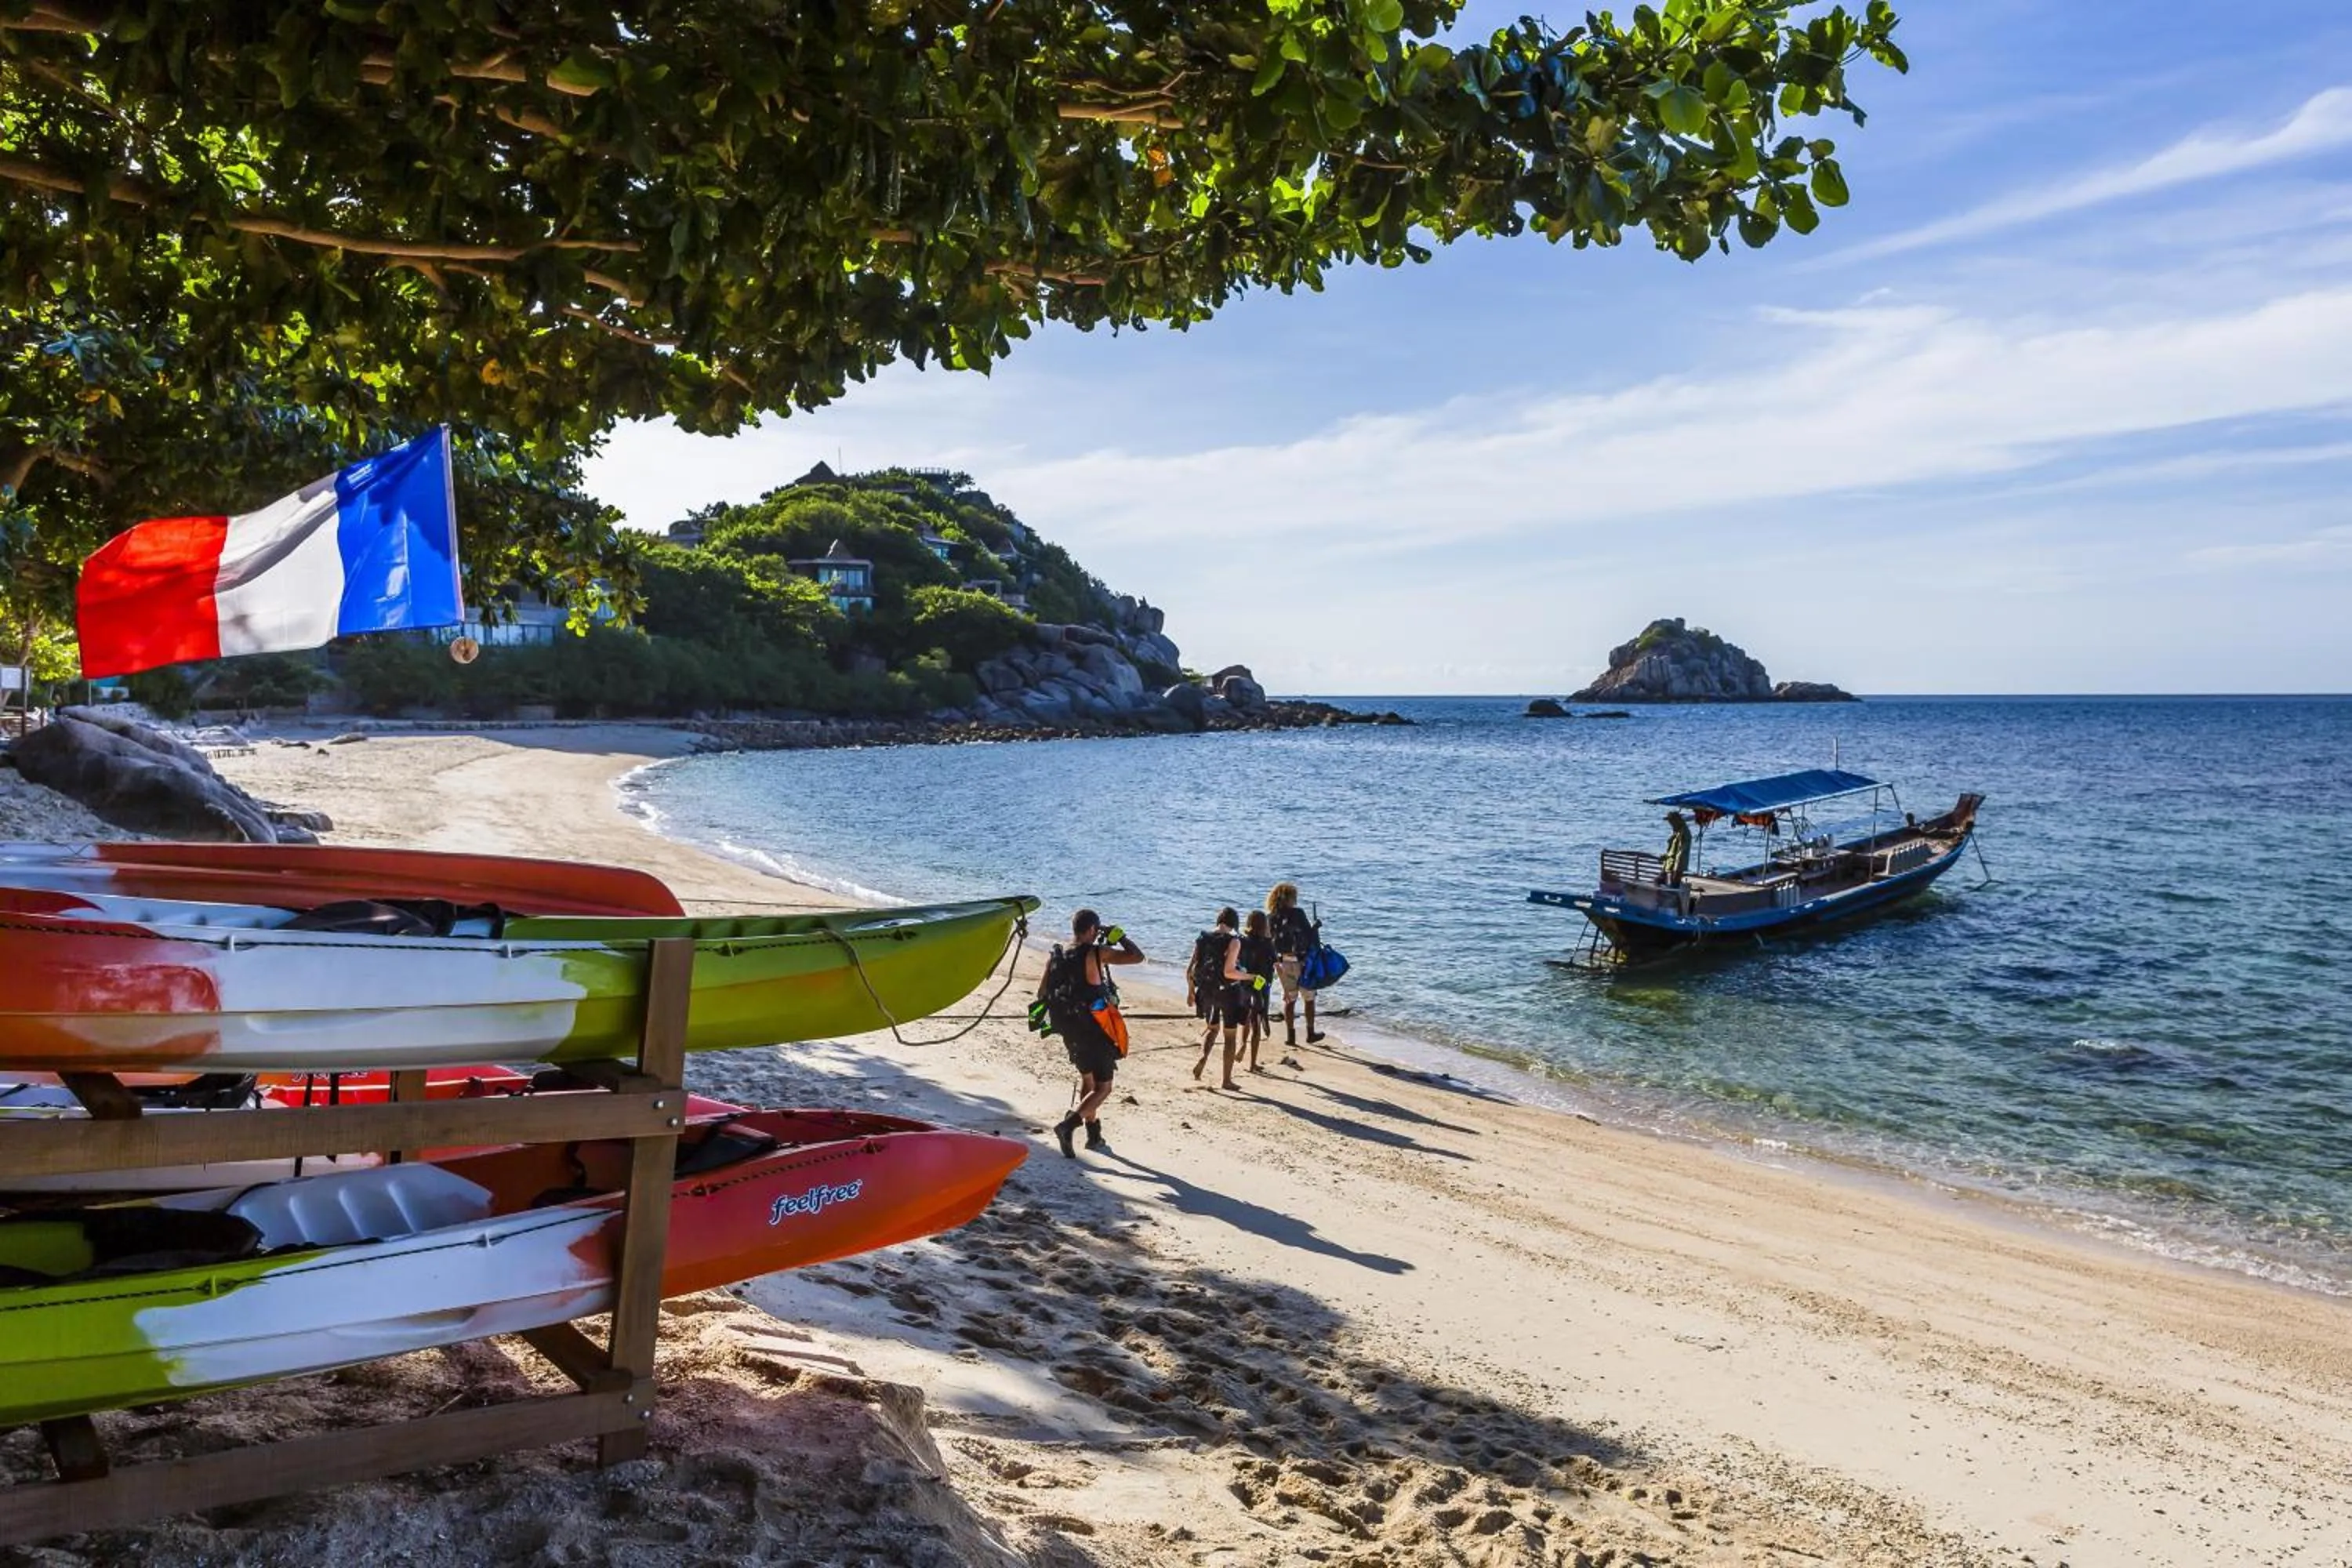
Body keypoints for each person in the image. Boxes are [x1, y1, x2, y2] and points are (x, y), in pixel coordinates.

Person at [1039, 908, 1144, 1156]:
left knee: (1089, 1081)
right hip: (1094, 1030)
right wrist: (1119, 936)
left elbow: (1042, 993)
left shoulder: (1057, 955)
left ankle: (1093, 1135)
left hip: (1067, 1028)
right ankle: (1068, 1126)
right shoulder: (1095, 953)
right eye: (1096, 931)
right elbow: (1137, 957)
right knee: (1104, 1088)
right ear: (1092, 930)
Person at [1189, 907, 1246, 1089]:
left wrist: (1190, 992)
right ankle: (1226, 1080)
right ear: (1234, 923)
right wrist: (1249, 976)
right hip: (1228, 993)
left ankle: (1203, 1058)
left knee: (1213, 1029)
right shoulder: (1234, 941)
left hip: (1206, 992)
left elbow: (1190, 969)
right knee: (1230, 1036)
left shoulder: (1203, 938)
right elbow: (1229, 972)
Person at [1266, 880, 1324, 1047]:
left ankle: (1290, 1036)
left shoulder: (1270, 917)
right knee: (1309, 999)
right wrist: (1316, 927)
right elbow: (1308, 935)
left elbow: (1270, 941)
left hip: (1283, 963)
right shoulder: (1298, 913)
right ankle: (1310, 1033)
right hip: (1302, 963)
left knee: (1290, 1000)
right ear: (1289, 898)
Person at [1239, 909, 1277, 1073]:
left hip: (1244, 983)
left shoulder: (1242, 941)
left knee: (1246, 1018)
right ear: (1264, 926)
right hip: (1261, 986)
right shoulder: (1268, 944)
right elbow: (1276, 966)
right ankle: (1252, 1063)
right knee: (1256, 1022)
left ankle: (1242, 1046)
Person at [1661, 811, 1692, 886]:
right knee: (1661, 882)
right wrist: (1666, 856)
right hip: (1670, 865)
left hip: (1677, 866)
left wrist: (1676, 867)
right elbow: (1672, 850)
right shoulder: (1677, 832)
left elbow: (1681, 852)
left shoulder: (1684, 832)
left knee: (1673, 885)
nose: (1671, 824)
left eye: (1671, 821)